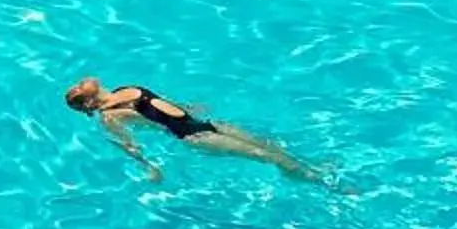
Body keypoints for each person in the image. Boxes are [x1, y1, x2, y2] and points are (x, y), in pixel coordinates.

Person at [63, 78, 329, 181]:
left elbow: (162, 101)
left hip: (205, 123)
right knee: (264, 156)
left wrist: (188, 107)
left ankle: (310, 168)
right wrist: (150, 167)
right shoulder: (109, 117)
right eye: (77, 90)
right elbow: (129, 145)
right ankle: (320, 181)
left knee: (268, 145)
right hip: (194, 136)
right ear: (88, 102)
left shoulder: (123, 88)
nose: (79, 84)